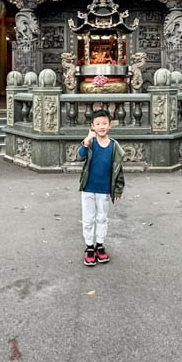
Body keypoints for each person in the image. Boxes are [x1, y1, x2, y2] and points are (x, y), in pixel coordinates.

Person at [77, 109, 125, 266]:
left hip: (104, 189)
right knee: (88, 219)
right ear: (92, 126)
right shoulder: (90, 143)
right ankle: (89, 247)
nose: (101, 126)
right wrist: (86, 141)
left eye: (104, 123)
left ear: (110, 125)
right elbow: (80, 155)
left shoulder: (114, 146)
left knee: (102, 218)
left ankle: (100, 245)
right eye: (98, 124)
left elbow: (119, 170)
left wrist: (117, 189)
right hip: (88, 188)